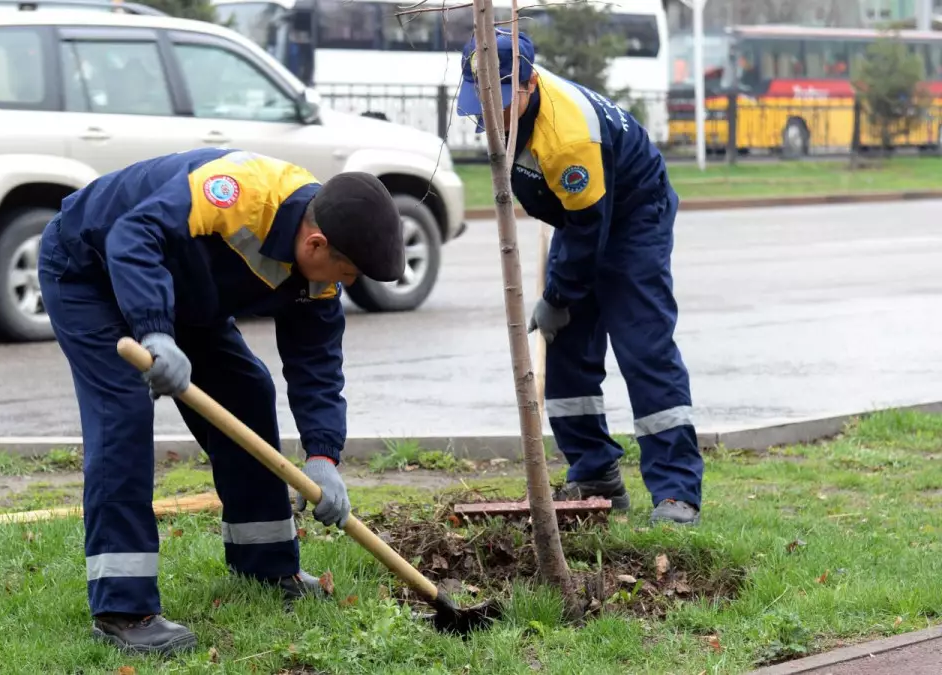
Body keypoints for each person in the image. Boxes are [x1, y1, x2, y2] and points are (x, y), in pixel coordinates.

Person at [38, 147, 406, 655]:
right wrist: (155, 332)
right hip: (90, 267)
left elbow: (317, 365)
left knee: (247, 393)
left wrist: (323, 455)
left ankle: (266, 566)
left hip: (182, 292)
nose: (347, 285)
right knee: (122, 415)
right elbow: (132, 235)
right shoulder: (237, 192)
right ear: (317, 243)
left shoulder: (317, 270)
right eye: (348, 272)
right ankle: (123, 611)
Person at [456, 29, 704, 526]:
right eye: (480, 100)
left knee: (643, 345)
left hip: (634, 214)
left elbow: (591, 230)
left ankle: (676, 493)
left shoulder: (567, 136)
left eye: (500, 100)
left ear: (527, 87)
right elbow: (576, 221)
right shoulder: (509, 104)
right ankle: (595, 475)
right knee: (566, 344)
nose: (487, 113)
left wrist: (558, 293)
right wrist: (561, 302)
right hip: (582, 214)